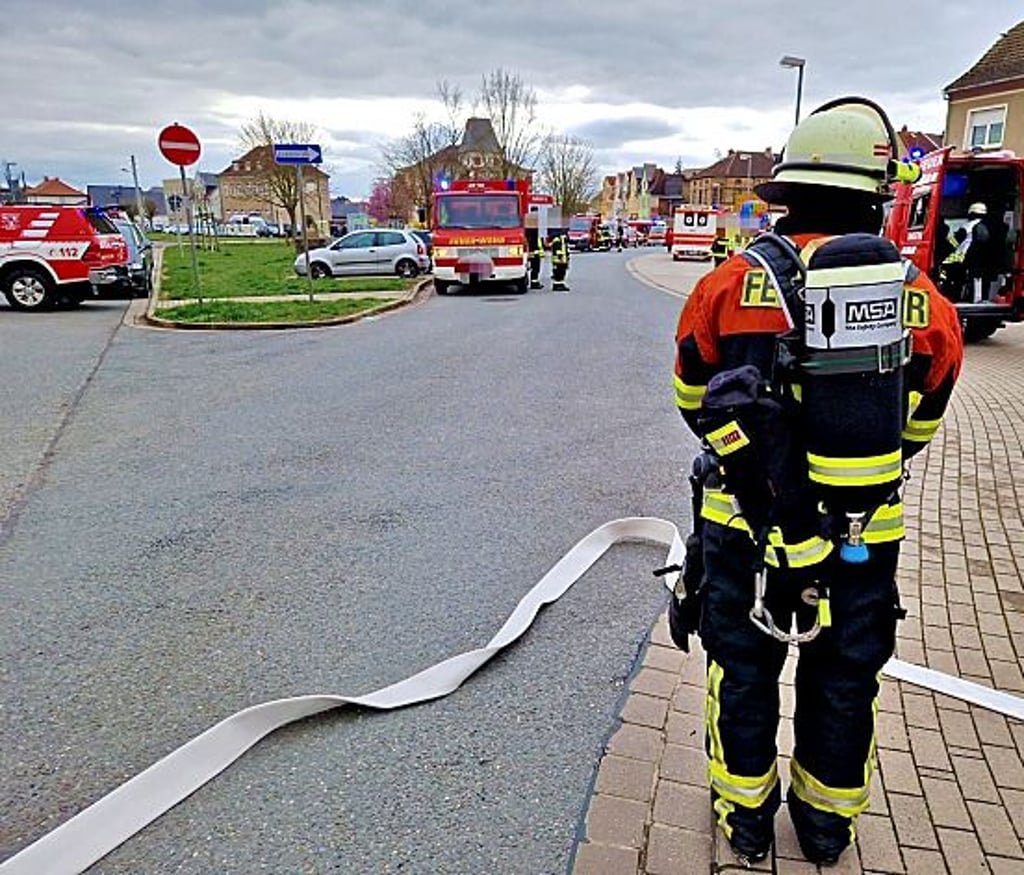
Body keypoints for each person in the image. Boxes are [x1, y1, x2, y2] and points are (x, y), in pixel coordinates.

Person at [668, 97, 963, 866]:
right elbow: (921, 423)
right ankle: (827, 825)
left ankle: (745, 817)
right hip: (863, 535)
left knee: (743, 668)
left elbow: (693, 400)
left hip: (745, 526)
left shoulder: (729, 284)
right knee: (844, 678)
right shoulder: (921, 299)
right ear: (877, 196)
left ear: (787, 192)